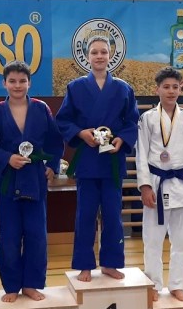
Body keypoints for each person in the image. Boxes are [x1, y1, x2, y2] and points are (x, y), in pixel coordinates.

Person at [56, 35, 139, 282]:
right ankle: (84, 265)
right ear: (87, 57)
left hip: (112, 161)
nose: (99, 56)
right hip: (88, 161)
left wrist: (121, 140)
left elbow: (131, 121)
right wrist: (81, 133)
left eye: (104, 52)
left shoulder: (123, 88)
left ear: (111, 56)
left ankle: (111, 263)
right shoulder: (75, 87)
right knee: (85, 215)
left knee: (113, 215)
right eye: (94, 52)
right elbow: (63, 120)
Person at [0, 61, 64, 303]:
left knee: (36, 235)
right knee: (9, 237)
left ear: (29, 83)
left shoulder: (42, 109)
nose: (17, 86)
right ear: (4, 83)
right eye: (12, 81)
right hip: (9, 181)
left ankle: (31, 284)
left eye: (22, 81)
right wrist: (7, 158)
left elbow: (55, 141)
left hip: (35, 180)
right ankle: (11, 286)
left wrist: (51, 166)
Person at [136, 67, 183, 301]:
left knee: (181, 241)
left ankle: (177, 284)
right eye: (166, 87)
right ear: (157, 89)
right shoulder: (147, 118)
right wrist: (145, 186)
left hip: (182, 184)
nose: (171, 91)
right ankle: (154, 285)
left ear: (180, 89)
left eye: (175, 87)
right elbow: (141, 154)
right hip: (156, 183)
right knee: (152, 240)